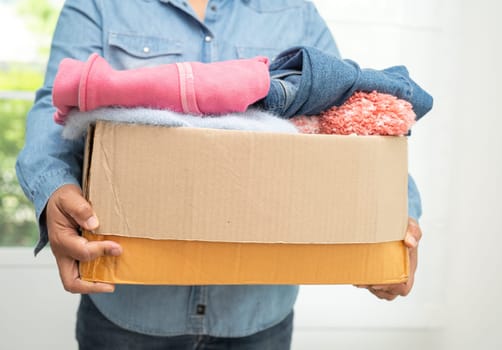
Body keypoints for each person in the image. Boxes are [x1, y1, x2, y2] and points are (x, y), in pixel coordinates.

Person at [16, 0, 423, 349]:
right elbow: (54, 111)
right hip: (126, 310)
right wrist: (54, 191)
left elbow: (351, 116)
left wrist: (395, 221)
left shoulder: (293, 9)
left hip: (259, 315)